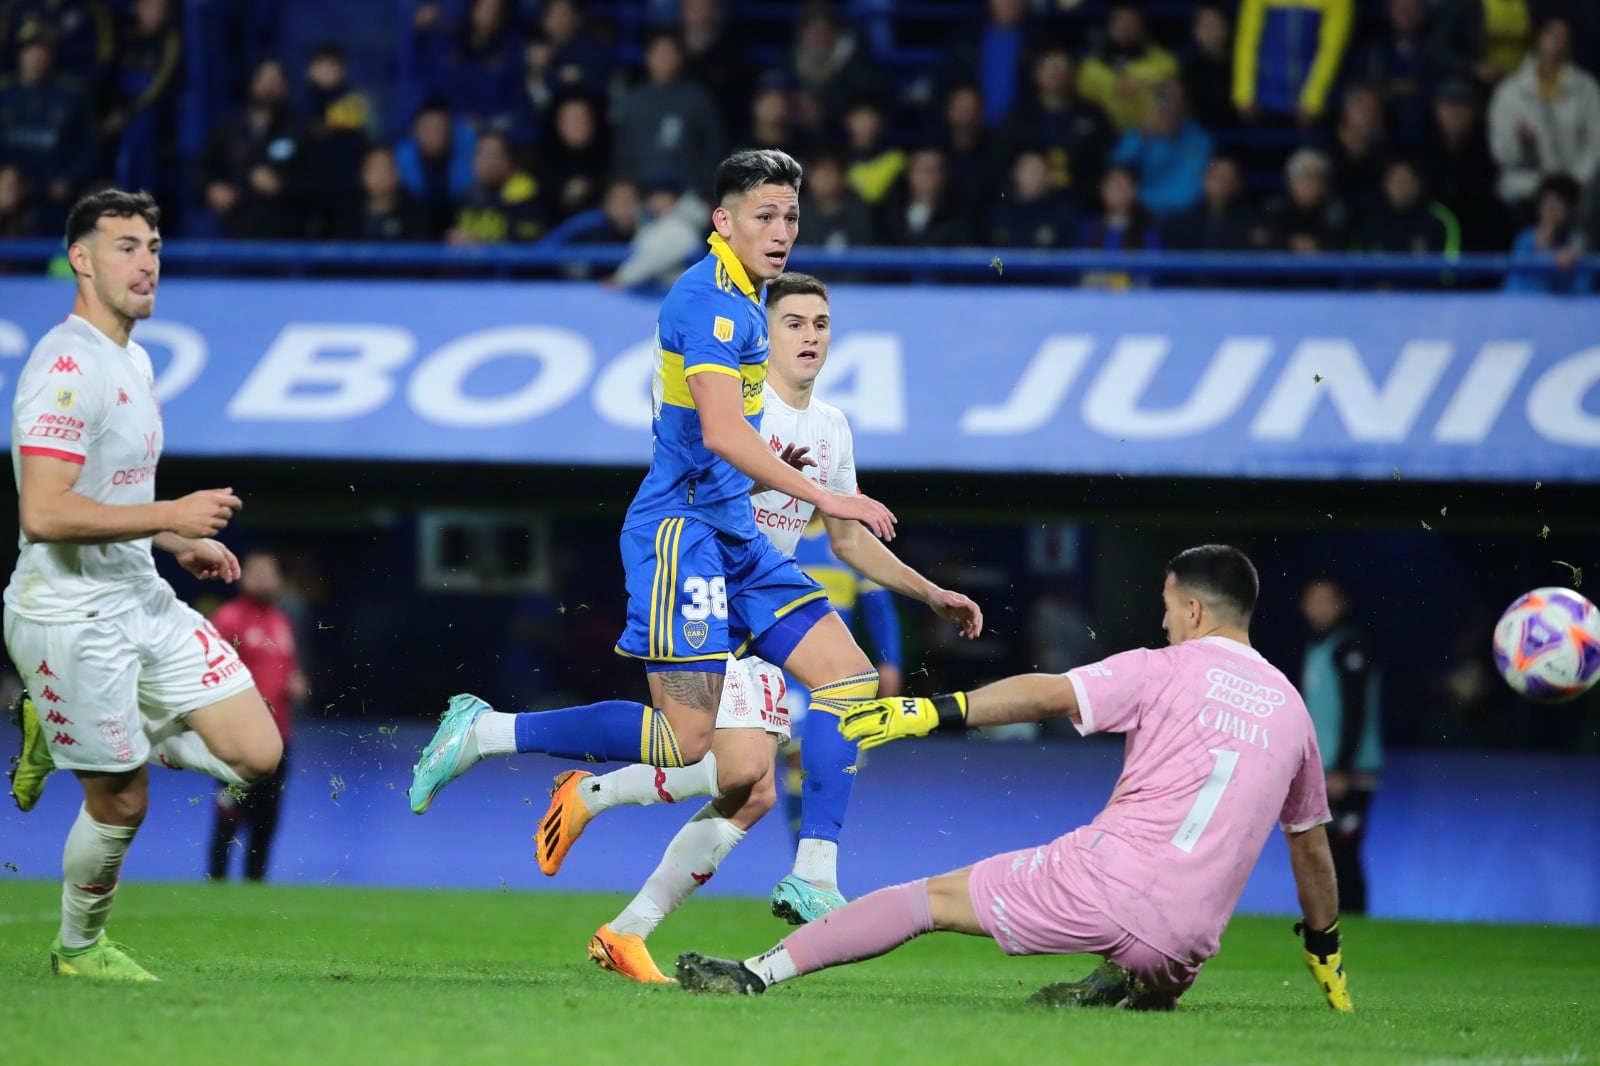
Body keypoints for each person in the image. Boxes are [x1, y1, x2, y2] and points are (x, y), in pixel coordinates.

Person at [408, 152, 902, 911]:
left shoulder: (750, 298)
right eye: (764, 216)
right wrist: (825, 498)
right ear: (722, 221)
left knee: (850, 681)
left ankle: (816, 874)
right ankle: (487, 730)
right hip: (684, 532)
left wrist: (927, 589)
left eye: (791, 217)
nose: (781, 231)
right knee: (689, 745)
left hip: (736, 533)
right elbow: (721, 435)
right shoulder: (708, 302)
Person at [674, 545, 1352, 1016]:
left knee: (926, 900)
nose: (1165, 620)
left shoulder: (1165, 666)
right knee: (1152, 966)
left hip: (1108, 885)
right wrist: (1324, 948)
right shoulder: (1291, 709)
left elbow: (1049, 695)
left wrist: (933, 710)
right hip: (1191, 940)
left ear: (1197, 613)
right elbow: (1311, 848)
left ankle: (754, 974)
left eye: (1170, 608)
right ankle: (1122, 984)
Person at [576, 273, 979, 983]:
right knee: (724, 760)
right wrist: (765, 481)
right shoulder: (736, 412)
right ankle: (564, 777)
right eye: (793, 322)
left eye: (821, 322)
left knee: (750, 783)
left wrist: (929, 592)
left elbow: (850, 541)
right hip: (708, 603)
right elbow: (694, 485)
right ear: (765, 335)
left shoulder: (831, 428)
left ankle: (627, 926)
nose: (811, 335)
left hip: (763, 614)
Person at [4, 189, 282, 980]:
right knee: (123, 802)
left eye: (154, 245)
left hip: (138, 595)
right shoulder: (65, 368)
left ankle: (58, 731)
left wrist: (169, 537)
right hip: (68, 613)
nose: (147, 261)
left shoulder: (134, 358)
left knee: (258, 754)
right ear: (81, 261)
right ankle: (79, 948)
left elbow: (109, 495)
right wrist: (173, 509)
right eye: (125, 245)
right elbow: (46, 512)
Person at [207, 550, 307, 882]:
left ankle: (255, 887)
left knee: (267, 818)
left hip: (278, 739)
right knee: (229, 814)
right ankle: (217, 884)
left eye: (270, 572)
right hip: (236, 741)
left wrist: (295, 682)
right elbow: (209, 675)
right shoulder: (228, 619)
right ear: (242, 576)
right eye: (257, 572)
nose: (264, 579)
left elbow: (288, 668)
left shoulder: (282, 622)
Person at [1299, 576, 1381, 916]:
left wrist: (1343, 769)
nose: (1319, 608)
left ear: (1340, 604)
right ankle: (1332, 925)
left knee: (1344, 852)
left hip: (1349, 772)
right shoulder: (1318, 648)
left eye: (1326, 600)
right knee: (1325, 854)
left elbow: (1356, 709)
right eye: (1312, 600)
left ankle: (1354, 926)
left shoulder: (1351, 646)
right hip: (1326, 770)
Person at [1486, 16, 1600, 218]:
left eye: (1565, 38)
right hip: (1526, 191)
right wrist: (1522, 144)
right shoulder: (1510, 92)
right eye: (1554, 36)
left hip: (1577, 190)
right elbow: (1502, 154)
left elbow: (1596, 142)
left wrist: (1576, 180)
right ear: (1539, 39)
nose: (1560, 43)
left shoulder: (1587, 89)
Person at [1232, 0, 1353, 125]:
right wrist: (1244, 93)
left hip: (1311, 106)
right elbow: (1247, 41)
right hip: (1261, 101)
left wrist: (1313, 100)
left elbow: (1331, 50)